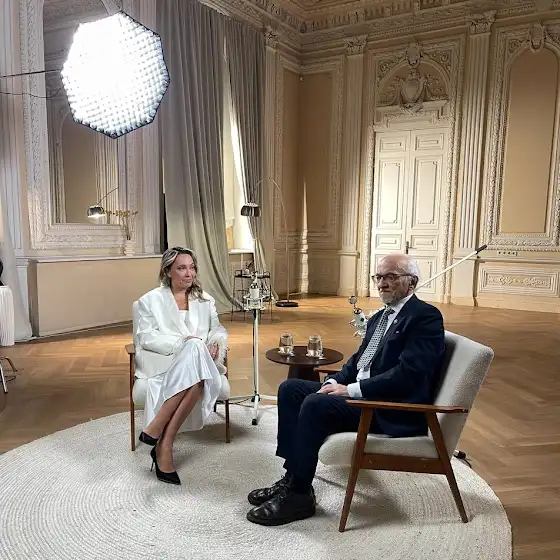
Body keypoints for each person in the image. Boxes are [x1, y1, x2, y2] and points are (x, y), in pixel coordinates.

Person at [246, 253, 445, 526]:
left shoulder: (424, 317)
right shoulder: (380, 317)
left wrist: (351, 390)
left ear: (412, 282)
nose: (382, 283)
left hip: (389, 408)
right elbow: (358, 362)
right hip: (366, 397)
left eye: (391, 276)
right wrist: (332, 383)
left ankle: (298, 495)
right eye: (379, 277)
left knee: (315, 404)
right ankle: (292, 477)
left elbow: (409, 375)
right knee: (291, 389)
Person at [133, 247, 228, 485]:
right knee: (194, 349)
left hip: (199, 365)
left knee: (196, 359)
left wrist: (216, 343)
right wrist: (182, 343)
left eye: (192, 267)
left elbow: (217, 329)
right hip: (164, 361)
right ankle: (162, 442)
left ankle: (161, 437)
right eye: (182, 268)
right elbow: (145, 337)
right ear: (168, 271)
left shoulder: (205, 300)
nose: (189, 273)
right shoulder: (149, 301)